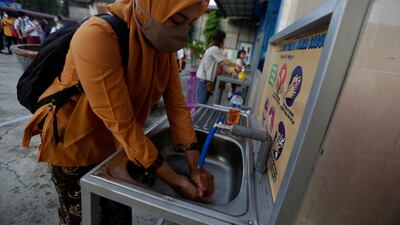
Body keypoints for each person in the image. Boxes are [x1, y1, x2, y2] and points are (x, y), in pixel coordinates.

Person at [22, 0, 212, 224]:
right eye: (178, 21)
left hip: (120, 146)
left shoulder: (161, 47)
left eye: (189, 24)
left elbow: (177, 106)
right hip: (76, 141)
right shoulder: (96, 36)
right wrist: (178, 182)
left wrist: (195, 166)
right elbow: (123, 125)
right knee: (84, 216)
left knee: (119, 215)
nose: (181, 34)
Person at [196, 30, 239, 104]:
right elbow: (224, 61)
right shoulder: (214, 49)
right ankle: (194, 115)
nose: (224, 41)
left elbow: (221, 64)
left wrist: (231, 73)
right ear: (220, 40)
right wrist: (236, 65)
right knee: (201, 103)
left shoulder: (215, 49)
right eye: (223, 39)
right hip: (204, 79)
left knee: (203, 102)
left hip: (206, 80)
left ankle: (196, 114)